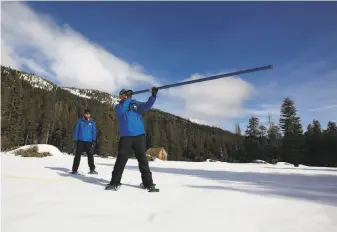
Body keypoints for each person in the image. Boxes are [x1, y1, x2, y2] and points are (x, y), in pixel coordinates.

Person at [105, 87, 159, 192]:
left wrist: (153, 96)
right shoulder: (118, 106)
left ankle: (148, 184)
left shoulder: (136, 104)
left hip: (139, 136)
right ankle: (115, 182)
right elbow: (121, 112)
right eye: (123, 94)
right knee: (121, 160)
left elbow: (147, 106)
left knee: (143, 160)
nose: (125, 96)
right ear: (121, 96)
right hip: (126, 137)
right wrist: (127, 99)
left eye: (126, 94)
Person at [71, 109, 98, 175]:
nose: (87, 114)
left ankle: (92, 169)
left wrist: (94, 140)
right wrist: (75, 140)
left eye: (89, 113)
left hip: (89, 141)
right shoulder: (80, 121)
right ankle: (74, 170)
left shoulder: (92, 122)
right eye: (86, 113)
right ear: (84, 114)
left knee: (90, 155)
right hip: (80, 141)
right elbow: (76, 131)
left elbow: (94, 131)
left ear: (90, 114)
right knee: (77, 156)